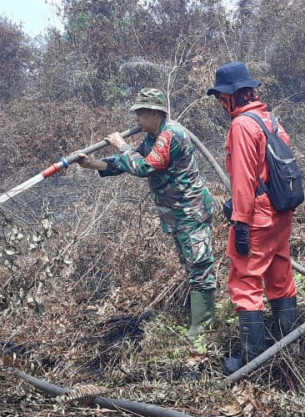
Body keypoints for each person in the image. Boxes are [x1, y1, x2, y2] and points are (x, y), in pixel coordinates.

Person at [76, 88, 217, 336]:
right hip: (176, 216)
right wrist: (91, 164)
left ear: (154, 112)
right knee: (190, 265)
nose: (137, 118)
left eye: (141, 112)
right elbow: (124, 163)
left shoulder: (170, 134)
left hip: (191, 212)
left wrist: (122, 146)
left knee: (199, 267)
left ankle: (202, 329)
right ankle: (199, 321)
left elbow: (144, 168)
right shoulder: (153, 139)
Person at [208, 62, 299, 374]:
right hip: (279, 213)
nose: (220, 102)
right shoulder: (269, 119)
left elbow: (246, 177)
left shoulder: (241, 126)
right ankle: (290, 349)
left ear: (233, 95)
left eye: (221, 96)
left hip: (257, 217)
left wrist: (241, 220)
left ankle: (252, 363)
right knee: (280, 276)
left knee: (245, 282)